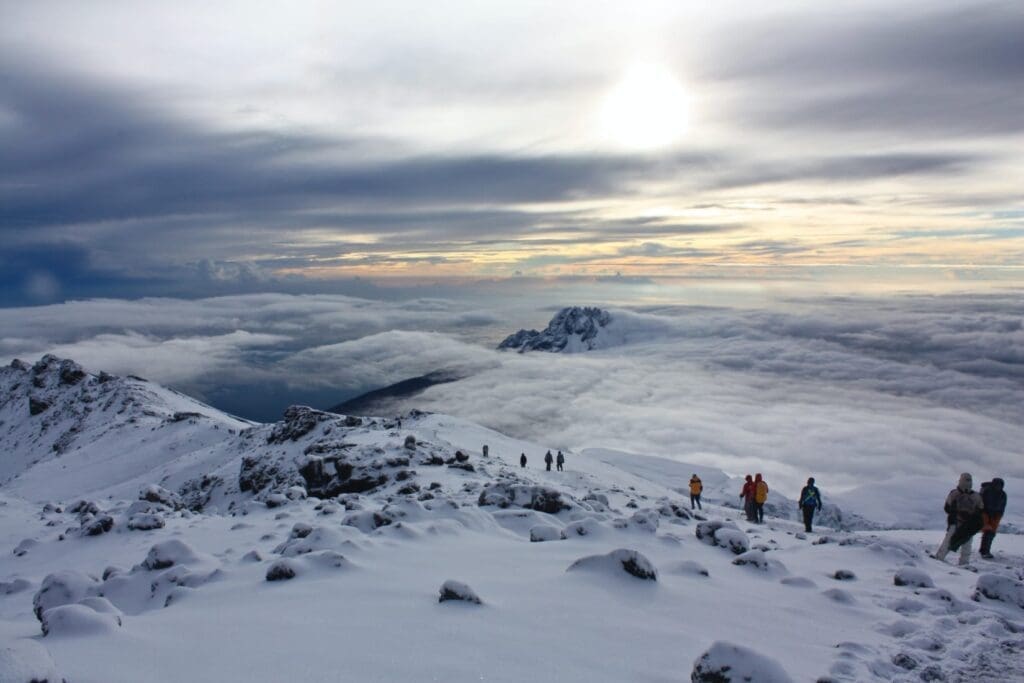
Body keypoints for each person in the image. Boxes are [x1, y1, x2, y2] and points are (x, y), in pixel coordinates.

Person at [934, 473, 984, 566]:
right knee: (958, 542)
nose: (968, 482)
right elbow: (980, 510)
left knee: (958, 542)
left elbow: (947, 508)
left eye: (969, 480)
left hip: (965, 524)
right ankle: (962, 562)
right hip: (961, 523)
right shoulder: (972, 496)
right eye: (967, 480)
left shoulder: (957, 494)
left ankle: (941, 558)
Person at [979, 477, 1006, 559]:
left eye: (1000, 485)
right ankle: (984, 551)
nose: (999, 487)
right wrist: (982, 514)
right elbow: (981, 503)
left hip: (996, 515)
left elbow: (1002, 507)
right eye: (997, 485)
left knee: (991, 533)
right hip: (985, 513)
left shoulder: (1003, 494)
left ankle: (985, 550)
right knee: (988, 531)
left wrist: (999, 516)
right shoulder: (987, 491)